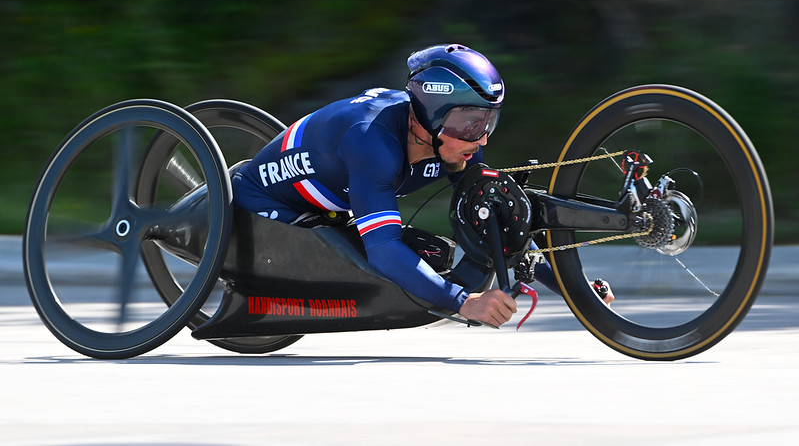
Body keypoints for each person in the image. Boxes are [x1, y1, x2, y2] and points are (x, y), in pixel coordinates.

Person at [232, 44, 610, 328]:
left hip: (326, 210)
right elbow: (384, 250)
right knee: (375, 274)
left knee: (433, 256)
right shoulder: (373, 144)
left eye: (487, 122)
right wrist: (464, 302)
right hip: (265, 207)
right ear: (432, 116)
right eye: (470, 123)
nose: (481, 138)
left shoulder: (456, 143)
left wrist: (573, 290)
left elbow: (500, 225)